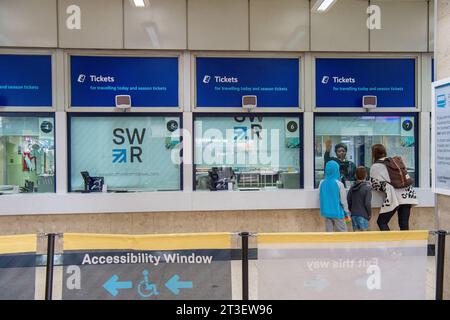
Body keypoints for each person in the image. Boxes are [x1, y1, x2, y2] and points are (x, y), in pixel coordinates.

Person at [370, 144, 418, 231]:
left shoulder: (376, 166)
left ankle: (390, 243)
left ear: (374, 154)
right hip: (407, 195)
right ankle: (405, 244)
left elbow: (375, 184)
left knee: (382, 222)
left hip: (394, 198)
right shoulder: (394, 162)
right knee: (404, 225)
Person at [319, 160, 351, 232]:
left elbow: (321, 197)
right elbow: (343, 201)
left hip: (326, 212)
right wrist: (347, 212)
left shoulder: (321, 183)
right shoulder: (339, 184)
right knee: (343, 234)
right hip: (337, 212)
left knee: (329, 235)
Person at [347, 166, 372, 231]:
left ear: (355, 175)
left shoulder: (352, 187)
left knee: (356, 238)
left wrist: (351, 210)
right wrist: (369, 214)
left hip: (353, 215)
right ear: (366, 175)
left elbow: (348, 200)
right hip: (363, 215)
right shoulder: (367, 188)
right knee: (364, 238)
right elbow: (367, 203)